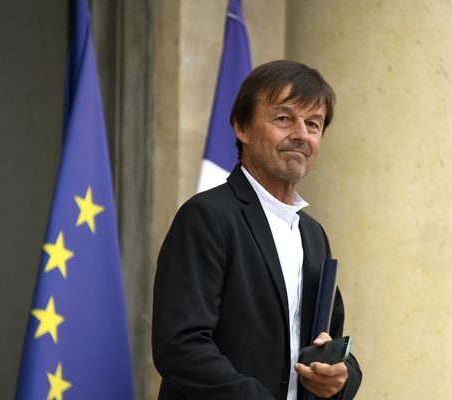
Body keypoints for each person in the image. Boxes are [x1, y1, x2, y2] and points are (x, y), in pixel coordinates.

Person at [152, 60, 362, 400]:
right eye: (283, 119)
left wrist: (342, 377)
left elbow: (330, 341)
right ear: (241, 127)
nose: (300, 134)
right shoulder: (206, 217)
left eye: (313, 124)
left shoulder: (313, 234)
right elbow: (180, 347)